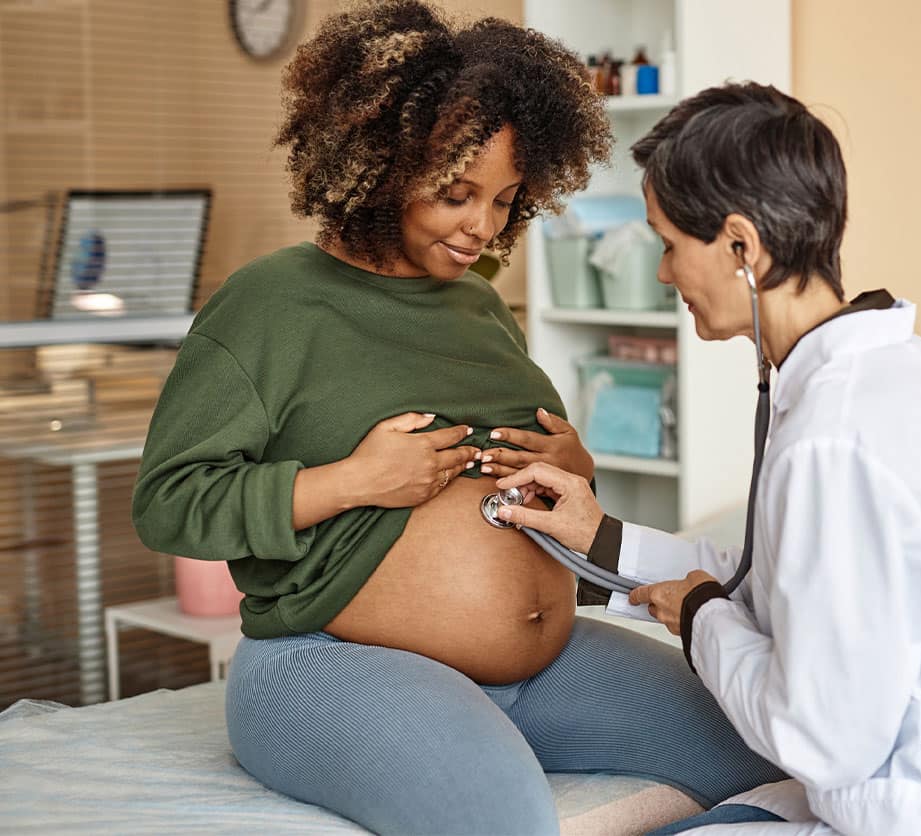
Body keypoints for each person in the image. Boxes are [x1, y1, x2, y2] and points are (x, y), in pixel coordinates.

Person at [131, 3, 783, 833]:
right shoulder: (270, 305)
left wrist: (574, 464)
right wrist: (349, 482)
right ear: (379, 166)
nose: (484, 226)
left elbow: (523, 487)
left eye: (507, 199)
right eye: (456, 193)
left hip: (545, 665)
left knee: (773, 755)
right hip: (335, 660)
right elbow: (168, 502)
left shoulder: (476, 306)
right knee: (505, 819)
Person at [493, 82, 921, 834]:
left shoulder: (836, 436)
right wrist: (602, 536)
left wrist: (702, 620)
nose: (662, 275)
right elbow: (785, 578)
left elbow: (824, 741)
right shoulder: (913, 371)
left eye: (667, 244)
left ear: (740, 246)